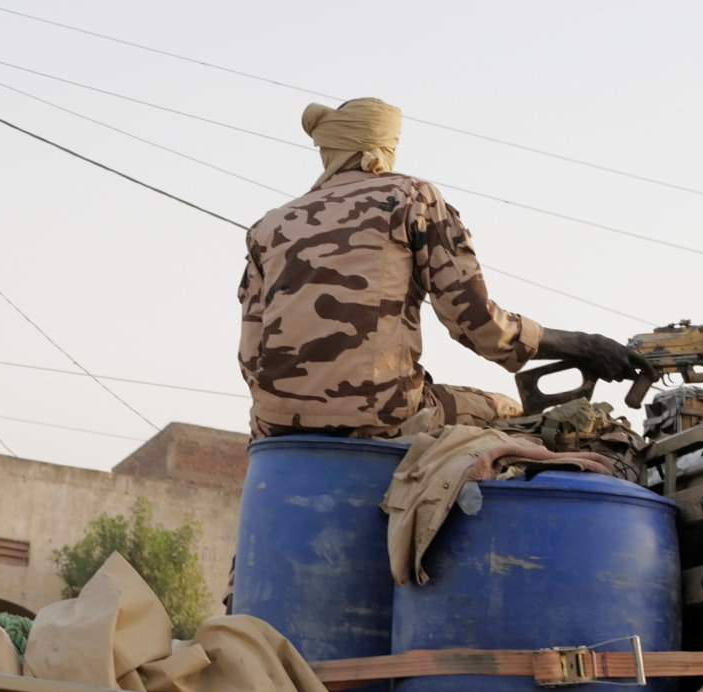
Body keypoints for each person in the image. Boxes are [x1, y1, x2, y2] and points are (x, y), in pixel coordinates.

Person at [238, 98, 643, 440]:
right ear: (379, 150)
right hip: (383, 417)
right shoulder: (411, 197)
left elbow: (250, 356)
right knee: (511, 414)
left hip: (274, 428)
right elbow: (480, 328)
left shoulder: (266, 227)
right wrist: (584, 345)